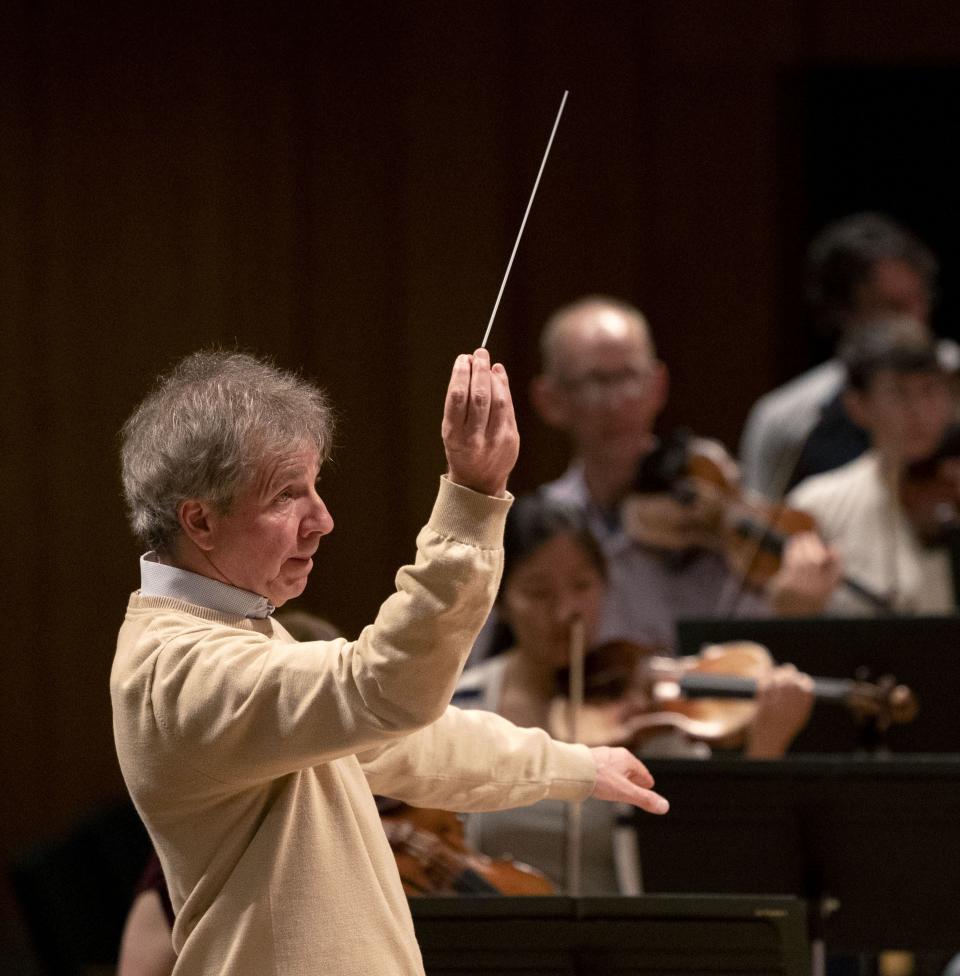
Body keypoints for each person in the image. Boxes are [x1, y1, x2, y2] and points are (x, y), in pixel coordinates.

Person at [110, 348, 668, 976]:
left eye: (314, 488)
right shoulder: (179, 670)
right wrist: (471, 499)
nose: (321, 519)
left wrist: (574, 764)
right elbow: (386, 688)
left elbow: (407, 738)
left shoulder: (241, 632)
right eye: (287, 495)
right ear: (200, 521)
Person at [454, 493, 813, 893]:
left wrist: (765, 748)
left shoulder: (642, 712)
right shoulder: (462, 705)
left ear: (605, 586)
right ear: (499, 600)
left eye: (582, 586)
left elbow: (713, 855)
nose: (565, 611)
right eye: (539, 593)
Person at [518, 295, 838, 655]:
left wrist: (794, 610)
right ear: (550, 400)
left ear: (658, 386)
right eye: (594, 382)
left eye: (628, 377)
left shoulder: (708, 501)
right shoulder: (540, 529)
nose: (616, 401)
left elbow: (759, 650)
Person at [740, 212, 943, 499]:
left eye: (920, 300)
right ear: (843, 314)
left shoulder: (952, 373)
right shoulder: (788, 417)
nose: (913, 322)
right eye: (894, 307)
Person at [788, 316, 959, 616]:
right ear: (858, 406)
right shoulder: (817, 504)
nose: (919, 412)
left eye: (930, 390)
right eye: (898, 393)